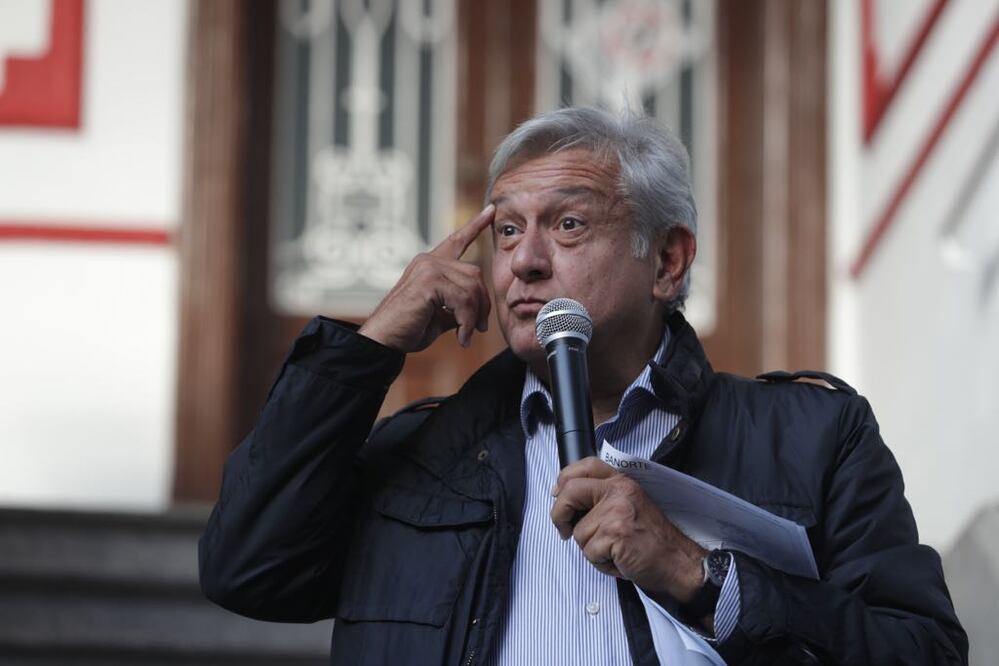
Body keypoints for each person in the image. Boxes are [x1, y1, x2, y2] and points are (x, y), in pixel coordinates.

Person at [199, 107, 967, 665]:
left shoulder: (813, 437)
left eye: (567, 226)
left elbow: (922, 652)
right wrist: (365, 352)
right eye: (505, 231)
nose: (523, 262)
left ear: (666, 261)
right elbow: (250, 572)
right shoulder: (418, 457)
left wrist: (695, 575)